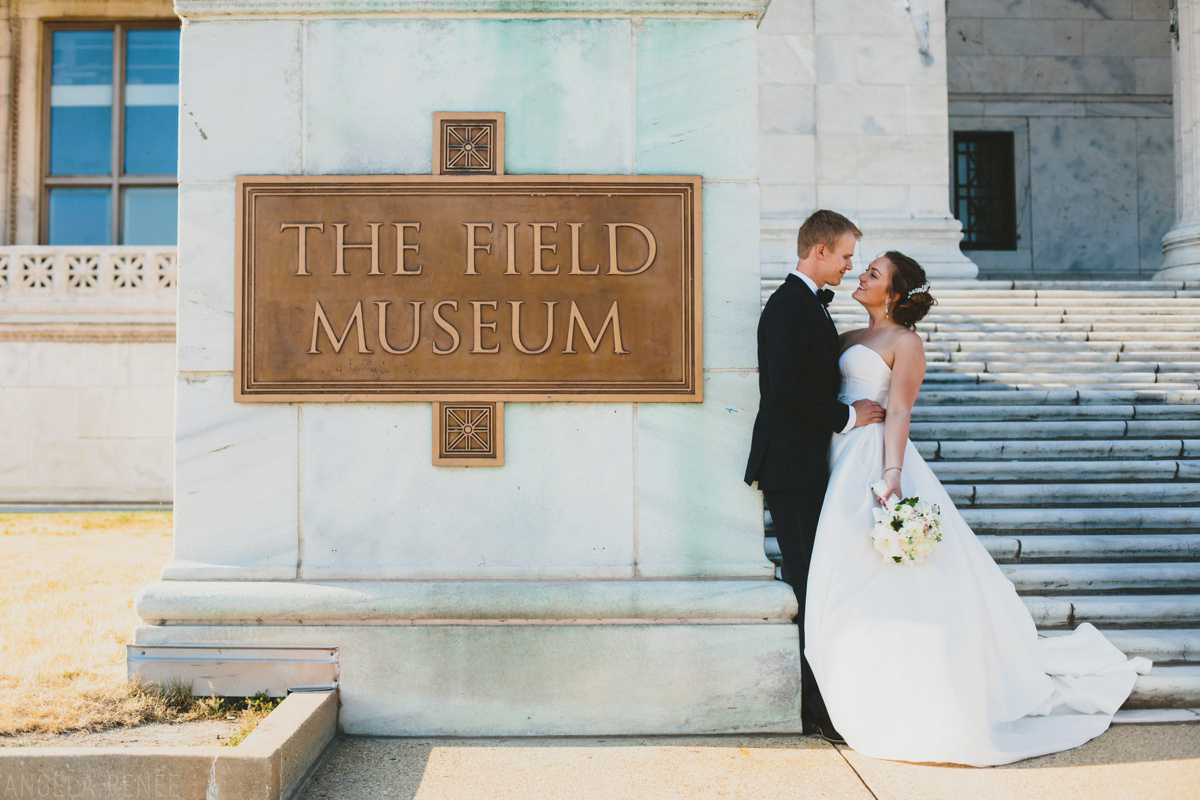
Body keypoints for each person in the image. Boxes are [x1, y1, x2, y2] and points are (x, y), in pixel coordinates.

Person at [804, 250, 1151, 766]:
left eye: (873, 273)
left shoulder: (906, 343)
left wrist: (892, 475)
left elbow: (899, 409)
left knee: (874, 572)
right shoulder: (846, 338)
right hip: (838, 453)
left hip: (874, 462)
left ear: (894, 295)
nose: (861, 275)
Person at [744, 210, 886, 743]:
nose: (851, 265)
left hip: (807, 467)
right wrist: (848, 417)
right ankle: (814, 708)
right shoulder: (787, 306)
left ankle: (823, 702)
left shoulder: (807, 305)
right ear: (819, 251)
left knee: (818, 581)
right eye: (847, 255)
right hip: (792, 469)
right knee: (808, 584)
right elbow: (784, 387)